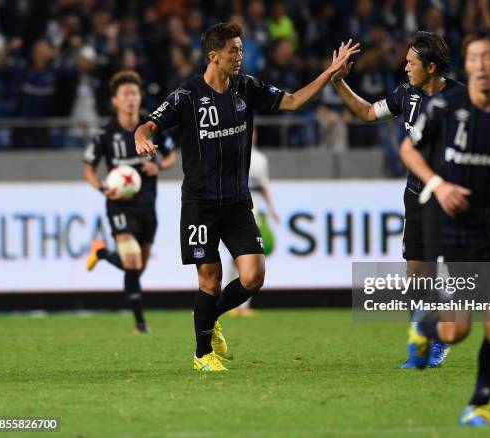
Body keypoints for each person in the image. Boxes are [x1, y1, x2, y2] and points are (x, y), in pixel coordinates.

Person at [134, 22, 359, 371]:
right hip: (200, 204)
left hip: (237, 203)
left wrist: (330, 72)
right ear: (213, 55)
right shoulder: (187, 96)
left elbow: (295, 101)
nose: (239, 56)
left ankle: (210, 318)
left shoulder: (246, 87)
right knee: (209, 280)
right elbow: (149, 124)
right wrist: (141, 136)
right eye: (232, 51)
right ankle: (201, 354)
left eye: (240, 49)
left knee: (254, 277)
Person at [399, 27, 490, 426]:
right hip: (459, 227)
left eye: (489, 58)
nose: (481, 66)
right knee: (458, 329)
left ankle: (479, 404)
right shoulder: (447, 107)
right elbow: (409, 150)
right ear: (467, 65)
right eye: (475, 58)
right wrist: (437, 184)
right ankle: (426, 322)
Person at [331, 31, 462, 368]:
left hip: (448, 200)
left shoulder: (461, 100)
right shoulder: (405, 94)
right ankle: (422, 341)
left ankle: (437, 343)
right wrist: (337, 83)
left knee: (443, 274)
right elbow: (366, 112)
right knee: (416, 277)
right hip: (415, 196)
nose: (405, 67)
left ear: (431, 67)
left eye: (411, 62)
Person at [83, 70, 177, 334]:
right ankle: (140, 324)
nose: (130, 99)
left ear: (140, 97)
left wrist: (158, 165)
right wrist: (103, 188)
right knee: (132, 261)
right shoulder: (105, 134)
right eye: (125, 94)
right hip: (120, 205)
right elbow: (89, 169)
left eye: (134, 93)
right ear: (115, 100)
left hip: (147, 207)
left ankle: (101, 252)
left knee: (136, 267)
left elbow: (171, 157)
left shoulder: (151, 127)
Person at [228, 128, 280, 317]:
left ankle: (244, 305)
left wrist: (273, 211)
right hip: (233, 208)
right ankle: (231, 304)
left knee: (252, 258)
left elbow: (263, 187)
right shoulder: (230, 151)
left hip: (253, 210)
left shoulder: (259, 160)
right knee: (235, 258)